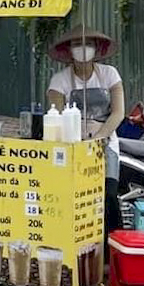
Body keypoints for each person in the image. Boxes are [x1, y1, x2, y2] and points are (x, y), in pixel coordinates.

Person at [47, 26, 124, 238]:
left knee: (108, 196)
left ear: (97, 48)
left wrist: (100, 138)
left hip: (105, 144)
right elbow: (58, 115)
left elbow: (118, 113)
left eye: (88, 44)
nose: (83, 49)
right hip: (73, 146)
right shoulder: (59, 81)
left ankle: (113, 251)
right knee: (76, 198)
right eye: (77, 44)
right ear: (68, 50)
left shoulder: (110, 75)